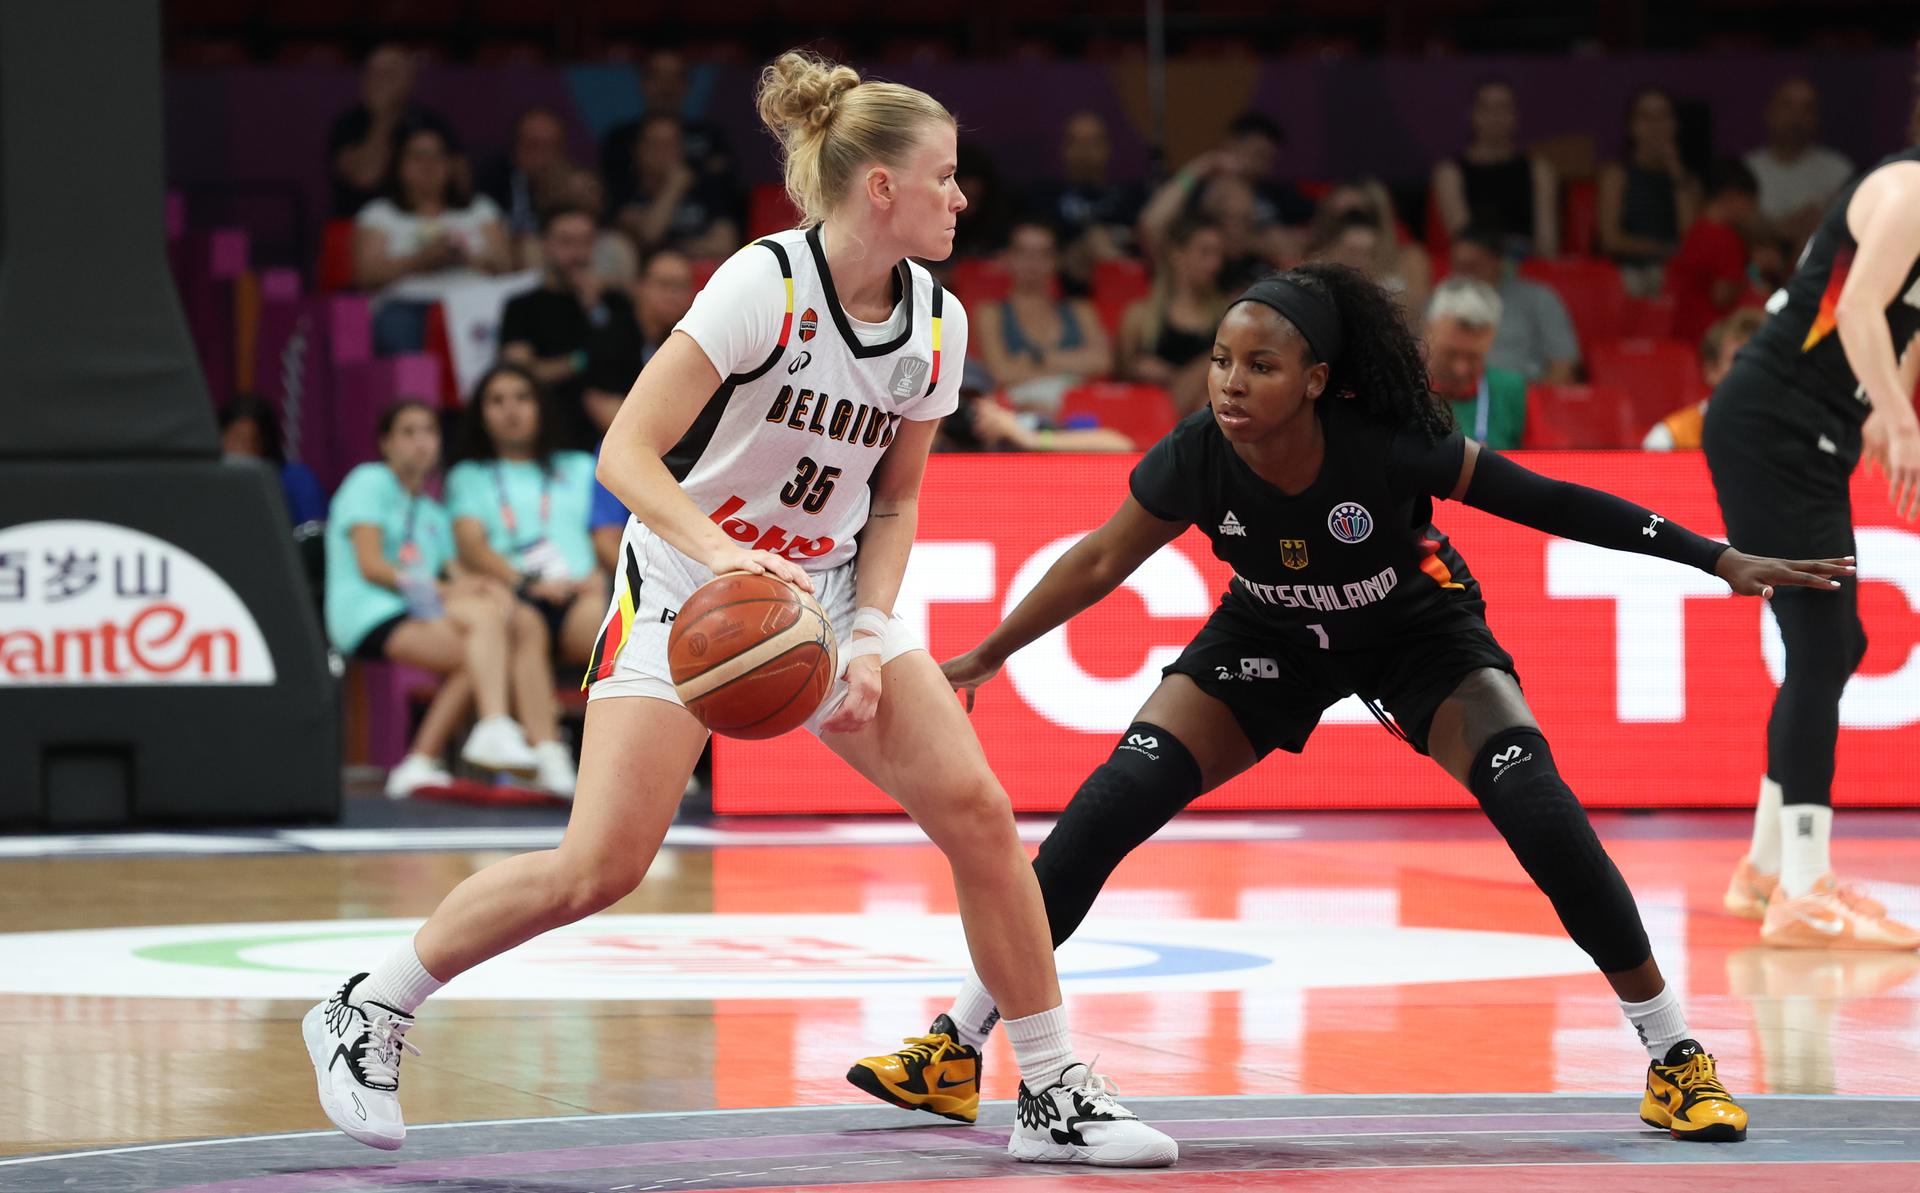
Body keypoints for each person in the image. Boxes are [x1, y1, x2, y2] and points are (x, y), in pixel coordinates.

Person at [302, 51, 1177, 1167]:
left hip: (818, 590)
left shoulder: (939, 325)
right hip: (685, 584)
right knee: (600, 866)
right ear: (881, 190)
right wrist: (729, 563)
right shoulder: (764, 283)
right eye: (946, 177)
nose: (964, 197)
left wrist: (865, 628)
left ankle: (1049, 1085)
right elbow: (626, 451)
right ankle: (368, 1004)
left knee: (982, 814)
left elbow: (898, 496)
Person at [854, 263, 1854, 1144]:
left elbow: (1543, 496)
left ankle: (1675, 1055)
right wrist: (984, 653)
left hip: (1419, 633)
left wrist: (1713, 555)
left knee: (1540, 809)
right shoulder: (1200, 451)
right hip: (1269, 637)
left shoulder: (1389, 443)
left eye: (1261, 366)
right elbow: (1103, 557)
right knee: (1109, 804)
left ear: (1318, 380)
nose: (1232, 383)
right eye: (1219, 360)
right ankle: (957, 1044)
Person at [1705, 147, 1920, 951]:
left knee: (1837, 640)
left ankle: (1765, 869)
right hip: (1773, 425)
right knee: (1823, 640)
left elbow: (1904, 322)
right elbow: (1861, 308)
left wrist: (1885, 403)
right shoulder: (1909, 189)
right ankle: (1803, 886)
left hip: (1818, 436)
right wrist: (1900, 419)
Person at [325, 400, 573, 798]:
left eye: (428, 432)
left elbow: (455, 571)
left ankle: (428, 761)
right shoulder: (368, 481)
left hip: (412, 609)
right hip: (366, 610)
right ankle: (493, 724)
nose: (420, 442)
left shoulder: (431, 510)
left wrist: (489, 585)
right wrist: (455, 591)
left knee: (510, 623)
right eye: (408, 432)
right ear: (386, 443)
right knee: (481, 620)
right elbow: (372, 565)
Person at [445, 364, 607, 670]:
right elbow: (471, 545)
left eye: (522, 398)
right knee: (517, 625)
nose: (511, 410)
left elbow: (608, 533)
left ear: (541, 407)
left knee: (620, 634)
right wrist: (523, 583)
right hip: (511, 596)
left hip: (582, 593)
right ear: (480, 416)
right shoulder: (468, 475)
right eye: (497, 401)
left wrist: (603, 577)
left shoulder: (582, 466)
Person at [353, 126, 513, 353]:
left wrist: (464, 256)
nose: (428, 165)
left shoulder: (479, 209)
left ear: (451, 165)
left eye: (437, 157)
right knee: (394, 326)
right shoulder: (379, 213)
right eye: (417, 157)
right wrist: (421, 260)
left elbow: (505, 265)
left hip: (475, 302)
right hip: (408, 305)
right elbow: (366, 276)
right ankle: (416, 387)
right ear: (398, 165)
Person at [499, 206, 644, 449]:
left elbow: (635, 363)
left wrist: (595, 309)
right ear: (544, 244)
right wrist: (581, 361)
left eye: (586, 242)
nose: (577, 253)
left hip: (614, 434)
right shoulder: (522, 306)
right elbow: (520, 374)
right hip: (549, 434)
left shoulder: (615, 303)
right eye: (566, 242)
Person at [973, 222, 1113, 414]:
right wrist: (1074, 364)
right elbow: (1001, 373)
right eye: (1023, 253)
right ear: (1007, 257)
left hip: (1078, 409)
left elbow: (1102, 362)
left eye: (1043, 254)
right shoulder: (991, 313)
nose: (1032, 263)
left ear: (1056, 260)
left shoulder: (1081, 310)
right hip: (1020, 412)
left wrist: (1035, 359)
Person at [1430, 79, 1558, 258]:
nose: (1495, 117)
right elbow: (1462, 235)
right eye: (1487, 108)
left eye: (1503, 108)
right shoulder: (1449, 172)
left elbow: (1547, 243)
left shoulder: (1539, 170)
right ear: (1473, 114)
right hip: (1476, 264)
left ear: (1515, 115)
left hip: (1527, 263)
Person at [327, 44, 456, 219]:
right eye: (373, 73)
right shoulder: (348, 124)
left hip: (420, 223)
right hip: (359, 229)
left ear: (409, 79)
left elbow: (457, 182)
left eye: (389, 73)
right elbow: (365, 176)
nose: (380, 80)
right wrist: (383, 118)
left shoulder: (430, 123)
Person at [1117, 217, 1227, 416]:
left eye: (1218, 254)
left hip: (1209, 415)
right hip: (1153, 416)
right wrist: (1135, 369)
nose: (1215, 264)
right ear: (1177, 254)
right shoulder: (1140, 318)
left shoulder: (1226, 317)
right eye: (1205, 253)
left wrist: (1173, 375)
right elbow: (1119, 380)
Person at [1024, 111, 1144, 292]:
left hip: (1120, 286)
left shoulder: (1130, 198)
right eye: (1077, 142)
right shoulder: (1043, 198)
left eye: (1093, 142)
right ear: (1064, 148)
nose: (1085, 151)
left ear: (1108, 148)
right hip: (1061, 290)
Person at [1597, 88, 1700, 298]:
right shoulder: (1616, 176)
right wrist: (1666, 251)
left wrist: (1675, 173)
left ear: (1675, 124)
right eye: (1647, 117)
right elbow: (1611, 241)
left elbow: (1691, 240)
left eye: (1663, 116)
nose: (1656, 126)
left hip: (1675, 274)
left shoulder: (1687, 181)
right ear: (1631, 126)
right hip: (1628, 271)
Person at [1448, 223, 1579, 384]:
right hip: (1460, 401)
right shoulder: (1441, 304)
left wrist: (1524, 403)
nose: (1463, 277)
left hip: (1526, 398)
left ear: (1497, 263)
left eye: (1472, 267)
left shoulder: (1539, 298)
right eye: (1458, 268)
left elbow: (1563, 368)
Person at [1744, 79, 1854, 254]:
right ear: (1769, 112)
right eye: (1788, 107)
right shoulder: (1747, 169)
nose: (1797, 117)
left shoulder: (1839, 171)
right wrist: (1779, 229)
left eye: (1807, 109)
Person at [1664, 159, 1764, 345]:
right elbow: (1721, 296)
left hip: (1682, 333)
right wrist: (1751, 272)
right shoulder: (1725, 239)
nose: (1753, 211)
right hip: (1711, 341)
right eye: (1750, 202)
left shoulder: (1694, 231)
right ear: (1731, 196)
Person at [614, 113, 739, 257]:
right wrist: (674, 186)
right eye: (656, 143)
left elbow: (724, 245)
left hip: (703, 273)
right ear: (639, 149)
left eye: (670, 144)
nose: (663, 151)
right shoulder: (627, 192)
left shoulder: (705, 189)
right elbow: (649, 236)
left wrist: (671, 247)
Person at [1425, 278, 1527, 450]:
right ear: (1428, 332)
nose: (1460, 369)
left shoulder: (1512, 390)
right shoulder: (1398, 386)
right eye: (1450, 353)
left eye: (1474, 357)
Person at [1643, 307, 1765, 451]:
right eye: (1738, 360)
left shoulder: (1788, 435)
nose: (1751, 372)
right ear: (1711, 370)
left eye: (1761, 361)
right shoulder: (1669, 441)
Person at [1310, 180, 1431, 319]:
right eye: (1341, 219)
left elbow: (1419, 317)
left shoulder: (1410, 258)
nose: (1355, 223)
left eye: (1362, 216)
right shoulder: (1315, 268)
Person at [218, 393, 328, 527]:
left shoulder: (296, 481)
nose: (241, 450)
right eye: (234, 439)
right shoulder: (209, 483)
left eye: (251, 442)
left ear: (266, 444)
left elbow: (313, 538)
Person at [478, 106, 574, 250]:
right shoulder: (490, 183)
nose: (544, 157)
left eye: (552, 147)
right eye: (534, 147)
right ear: (515, 150)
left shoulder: (576, 187)